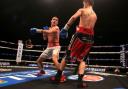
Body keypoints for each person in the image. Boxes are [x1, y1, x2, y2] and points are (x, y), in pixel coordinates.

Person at [53, 0, 97, 88]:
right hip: (90, 37)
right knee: (83, 60)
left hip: (80, 35)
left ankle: (58, 77)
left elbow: (73, 18)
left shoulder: (82, 10)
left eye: (83, 2)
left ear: (87, 2)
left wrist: (66, 28)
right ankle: (80, 82)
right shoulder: (95, 15)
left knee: (67, 55)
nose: (83, 3)